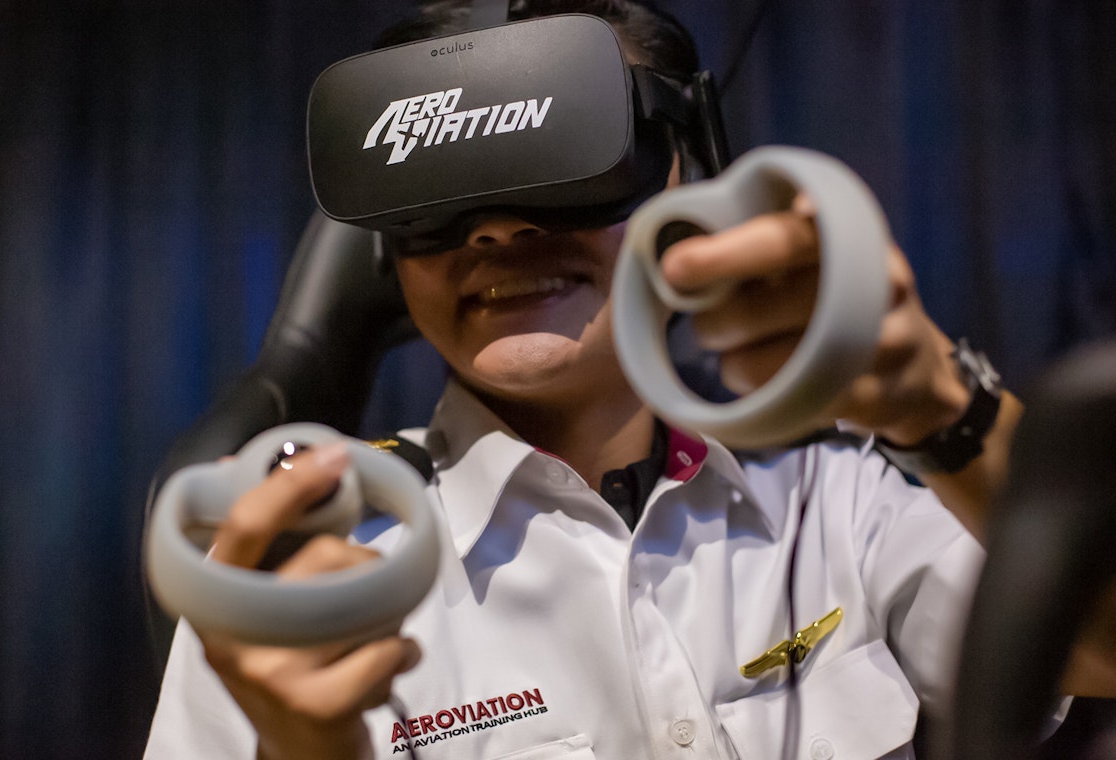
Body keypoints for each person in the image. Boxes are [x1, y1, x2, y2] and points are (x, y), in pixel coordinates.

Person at [143, 1, 1113, 758]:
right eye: (434, 207)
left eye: (568, 169)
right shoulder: (300, 578)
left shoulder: (836, 505)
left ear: (689, 177)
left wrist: (937, 408)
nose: (498, 231)